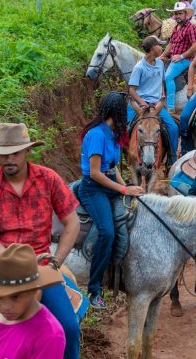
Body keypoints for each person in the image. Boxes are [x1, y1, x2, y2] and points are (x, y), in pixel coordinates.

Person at [0, 123, 81, 359]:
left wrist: (56, 262)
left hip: (39, 265)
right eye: (3, 154)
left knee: (69, 328)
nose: (8, 159)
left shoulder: (49, 179)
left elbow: (72, 223)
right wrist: (15, 262)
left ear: (26, 152)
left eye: (14, 153)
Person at [79, 92, 145, 308]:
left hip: (109, 185)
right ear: (117, 112)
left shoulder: (114, 134)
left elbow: (112, 166)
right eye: (125, 111)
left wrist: (127, 187)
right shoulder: (96, 135)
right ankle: (94, 288)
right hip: (93, 189)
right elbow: (96, 173)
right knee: (107, 231)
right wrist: (123, 188)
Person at [127, 36, 179, 160]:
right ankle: (121, 160)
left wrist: (162, 99)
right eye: (159, 45)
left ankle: (172, 159)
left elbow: (161, 84)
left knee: (173, 128)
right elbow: (132, 90)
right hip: (140, 104)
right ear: (152, 49)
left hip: (157, 105)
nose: (162, 48)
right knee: (124, 129)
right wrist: (142, 103)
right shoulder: (139, 67)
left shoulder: (160, 63)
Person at [161, 2, 196, 113]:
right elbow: (171, 44)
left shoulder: (191, 28)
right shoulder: (176, 28)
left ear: (185, 14)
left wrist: (182, 56)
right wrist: (163, 55)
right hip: (174, 57)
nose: (178, 16)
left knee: (168, 76)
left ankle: (170, 107)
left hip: (185, 59)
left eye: (180, 13)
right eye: (176, 14)